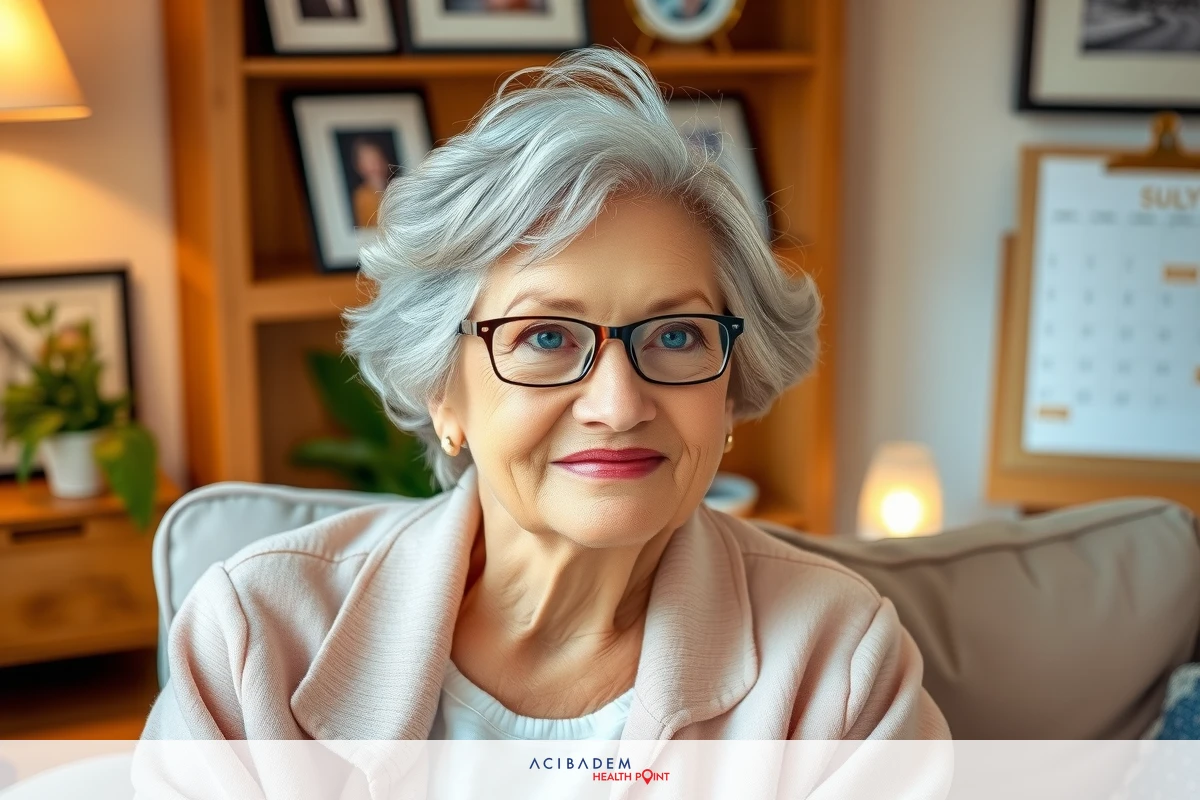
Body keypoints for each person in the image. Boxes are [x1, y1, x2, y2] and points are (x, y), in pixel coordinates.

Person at [137, 44, 949, 795]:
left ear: (731, 386)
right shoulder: (257, 639)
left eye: (675, 335)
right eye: (545, 337)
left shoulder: (839, 662)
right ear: (442, 391)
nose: (619, 404)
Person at [349, 136, 392, 228]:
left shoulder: (394, 188)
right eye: (370, 161)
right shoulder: (362, 196)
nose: (376, 165)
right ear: (359, 167)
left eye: (379, 159)